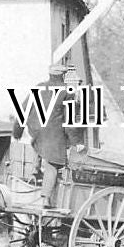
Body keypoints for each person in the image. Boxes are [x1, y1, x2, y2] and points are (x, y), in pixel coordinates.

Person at [14, 64, 84, 204]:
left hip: (36, 131)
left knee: (41, 150)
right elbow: (69, 121)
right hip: (53, 133)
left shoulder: (39, 87)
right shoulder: (66, 91)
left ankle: (35, 171)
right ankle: (46, 198)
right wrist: (77, 142)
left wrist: (17, 132)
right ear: (63, 76)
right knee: (53, 164)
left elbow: (23, 109)